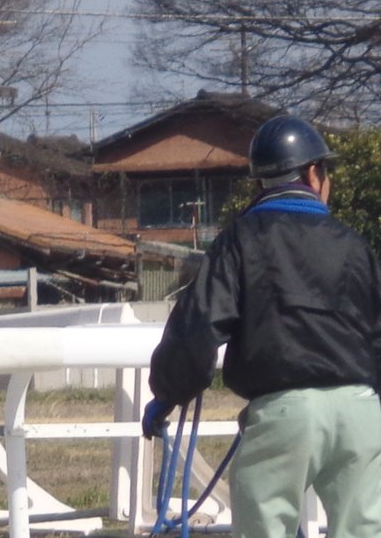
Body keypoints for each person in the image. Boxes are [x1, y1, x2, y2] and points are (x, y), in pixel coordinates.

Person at [142, 114, 381, 538]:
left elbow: (198, 328)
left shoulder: (240, 240)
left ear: (259, 183)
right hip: (361, 410)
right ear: (313, 173)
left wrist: (167, 394)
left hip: (284, 413)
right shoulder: (353, 245)